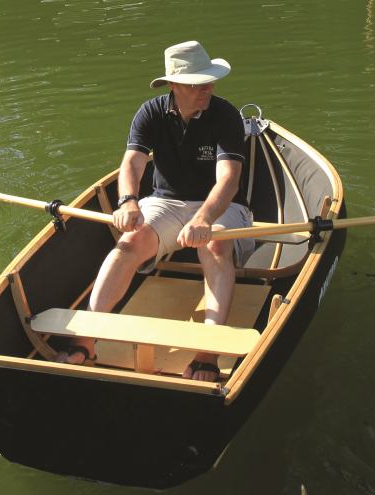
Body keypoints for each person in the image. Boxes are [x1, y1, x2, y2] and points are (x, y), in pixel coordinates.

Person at [57, 41, 253, 382]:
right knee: (129, 244)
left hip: (221, 205)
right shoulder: (150, 112)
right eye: (196, 82)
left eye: (209, 80)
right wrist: (128, 201)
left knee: (216, 244)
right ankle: (86, 341)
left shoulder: (226, 116)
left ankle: (208, 351)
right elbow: (132, 162)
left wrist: (204, 219)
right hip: (165, 201)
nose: (206, 87)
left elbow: (229, 180)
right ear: (173, 85)